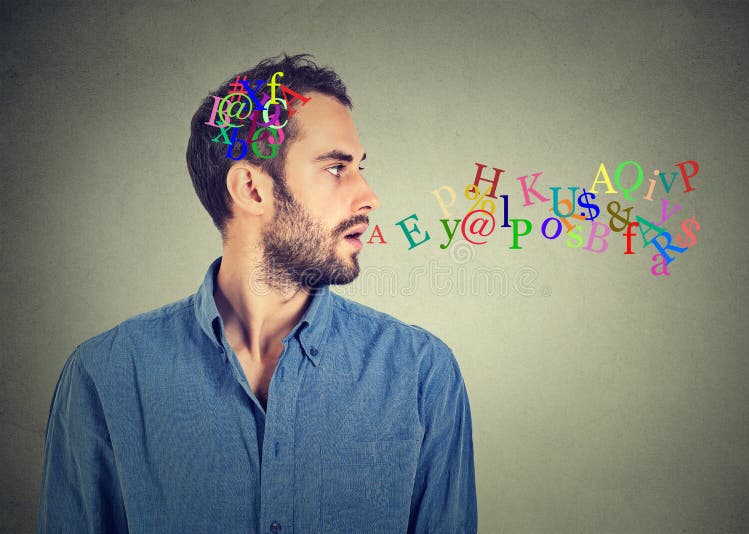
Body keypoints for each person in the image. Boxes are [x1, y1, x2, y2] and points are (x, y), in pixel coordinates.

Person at [37, 53, 477, 533]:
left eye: (359, 167)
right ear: (250, 188)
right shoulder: (106, 376)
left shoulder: (421, 374)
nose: (369, 196)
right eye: (335, 167)